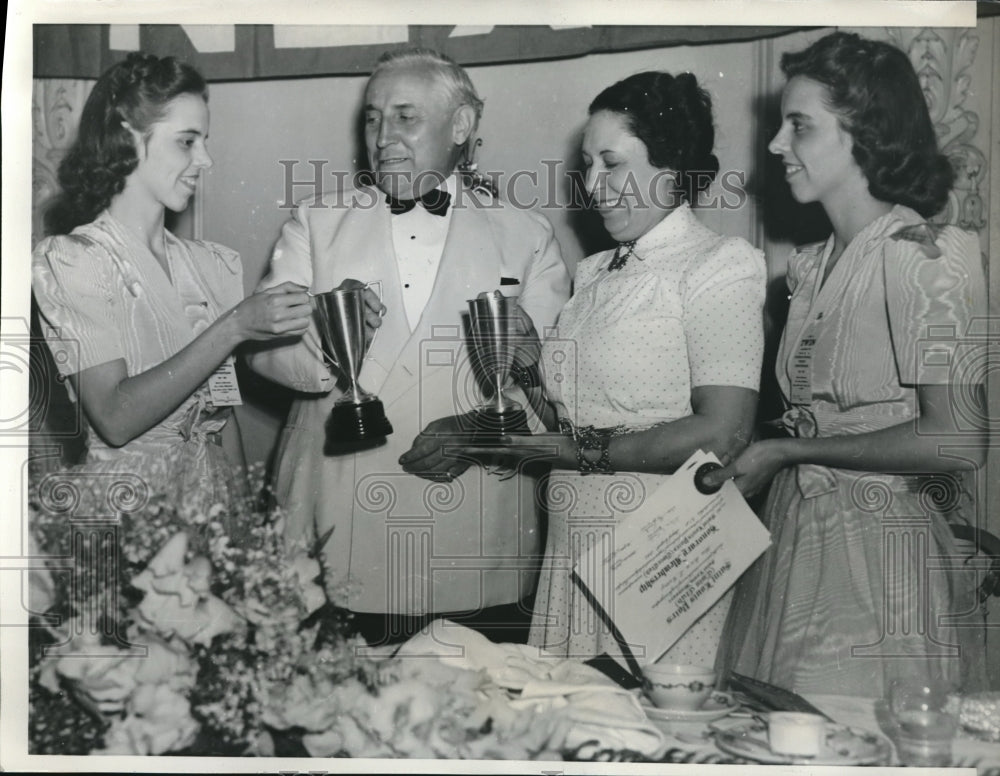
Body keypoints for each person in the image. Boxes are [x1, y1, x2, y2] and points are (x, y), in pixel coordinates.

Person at [438, 71, 766, 669]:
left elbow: (725, 432)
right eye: (587, 165)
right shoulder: (591, 275)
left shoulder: (719, 266)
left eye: (611, 164)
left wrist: (574, 452)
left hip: (662, 555)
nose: (592, 186)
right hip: (572, 548)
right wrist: (529, 361)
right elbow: (567, 420)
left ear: (670, 169)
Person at [248, 48, 570, 645]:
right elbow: (261, 350)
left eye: (405, 117)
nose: (384, 137)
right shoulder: (316, 223)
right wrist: (327, 335)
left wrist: (479, 432)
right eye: (373, 119)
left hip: (475, 531)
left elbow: (559, 385)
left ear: (462, 126)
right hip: (337, 525)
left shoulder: (527, 234)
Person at [704, 32, 988, 697]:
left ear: (864, 134)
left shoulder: (929, 254)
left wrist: (787, 453)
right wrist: (768, 454)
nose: (776, 146)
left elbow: (958, 440)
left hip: (880, 554)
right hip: (798, 534)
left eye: (798, 126)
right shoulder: (809, 266)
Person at [32, 53, 312, 537]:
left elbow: (220, 421)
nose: (205, 160)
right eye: (187, 142)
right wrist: (236, 326)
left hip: (210, 509)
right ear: (126, 136)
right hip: (128, 517)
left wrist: (243, 530)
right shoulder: (74, 260)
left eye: (204, 142)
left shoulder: (210, 265)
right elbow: (116, 418)